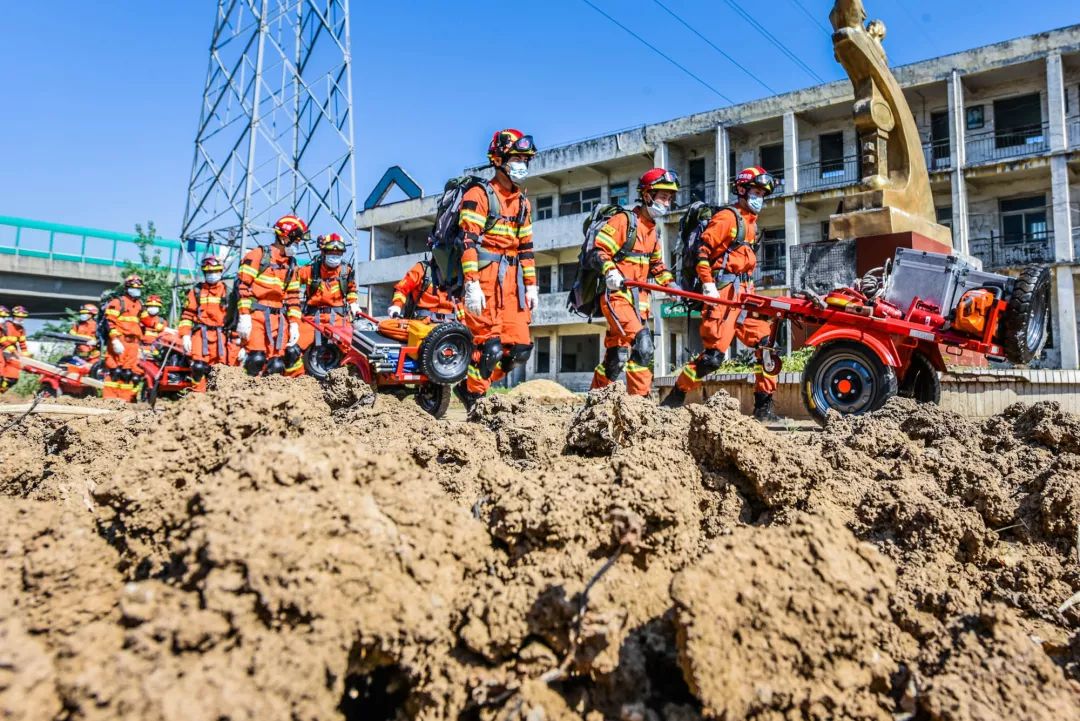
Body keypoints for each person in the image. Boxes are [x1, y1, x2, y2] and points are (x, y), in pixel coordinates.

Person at [663, 166, 781, 420]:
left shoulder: (751, 224)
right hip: (724, 293)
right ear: (741, 189)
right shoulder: (728, 218)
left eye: (763, 193)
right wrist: (707, 284)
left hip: (746, 293)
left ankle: (764, 407)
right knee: (713, 358)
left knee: (768, 348)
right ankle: (676, 395)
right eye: (756, 191)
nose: (760, 197)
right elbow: (701, 253)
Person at [455, 128, 538, 409]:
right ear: (498, 159)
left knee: (520, 350)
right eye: (516, 158)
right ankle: (476, 399)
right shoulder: (479, 194)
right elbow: (467, 241)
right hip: (486, 279)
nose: (522, 165)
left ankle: (471, 387)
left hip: (513, 284)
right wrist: (471, 283)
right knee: (488, 349)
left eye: (525, 160)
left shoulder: (524, 203)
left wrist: (532, 285)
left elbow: (526, 248)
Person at [590, 168, 680, 396]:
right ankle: (638, 406)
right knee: (644, 346)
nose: (666, 203)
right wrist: (610, 272)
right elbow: (599, 251)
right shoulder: (624, 221)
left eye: (669, 198)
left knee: (616, 357)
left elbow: (658, 267)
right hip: (617, 298)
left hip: (640, 304)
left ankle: (594, 402)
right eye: (662, 197)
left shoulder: (653, 231)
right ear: (647, 195)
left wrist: (670, 285)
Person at [235, 215, 305, 376]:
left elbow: (293, 297)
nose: (297, 245)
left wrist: (294, 323)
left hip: (279, 319)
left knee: (277, 364)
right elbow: (243, 287)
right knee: (256, 359)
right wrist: (244, 316)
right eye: (296, 241)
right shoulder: (258, 256)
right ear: (283, 237)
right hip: (256, 315)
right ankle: (245, 396)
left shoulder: (291, 265)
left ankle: (270, 399)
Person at [294, 233, 360, 375]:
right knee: (294, 349)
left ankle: (348, 380)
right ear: (323, 252)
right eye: (331, 252)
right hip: (311, 319)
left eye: (338, 253)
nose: (334, 256)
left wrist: (353, 303)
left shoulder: (345, 271)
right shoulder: (310, 270)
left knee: (353, 349)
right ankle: (297, 384)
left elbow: (352, 290)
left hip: (338, 319)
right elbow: (290, 283)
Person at [179, 256, 228, 391]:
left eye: (215, 272)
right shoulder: (197, 291)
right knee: (198, 367)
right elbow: (187, 314)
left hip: (221, 336)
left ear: (221, 271)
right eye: (208, 272)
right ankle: (197, 398)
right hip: (200, 334)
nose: (212, 275)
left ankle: (217, 400)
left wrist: (238, 341)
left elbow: (233, 319)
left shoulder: (227, 292)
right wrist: (185, 335)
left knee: (218, 370)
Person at [103, 275, 146, 401]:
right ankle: (110, 399)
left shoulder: (139, 305)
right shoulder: (117, 302)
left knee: (128, 374)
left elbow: (146, 322)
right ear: (127, 288)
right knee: (115, 372)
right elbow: (109, 322)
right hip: (120, 341)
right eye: (133, 287)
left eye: (138, 288)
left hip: (133, 344)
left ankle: (125, 401)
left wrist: (164, 328)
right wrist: (115, 340)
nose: (136, 290)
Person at [388, 259, 457, 320]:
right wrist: (397, 305)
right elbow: (402, 289)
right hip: (423, 324)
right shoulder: (422, 269)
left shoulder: (458, 273)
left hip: (451, 326)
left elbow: (462, 302)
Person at [0, 306, 21, 392]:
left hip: (6, 353)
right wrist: (13, 350)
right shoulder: (5, 327)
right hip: (6, 352)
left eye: (4, 317)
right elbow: (3, 340)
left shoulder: (3, 328)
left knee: (12, 378)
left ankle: (2, 392)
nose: (2, 319)